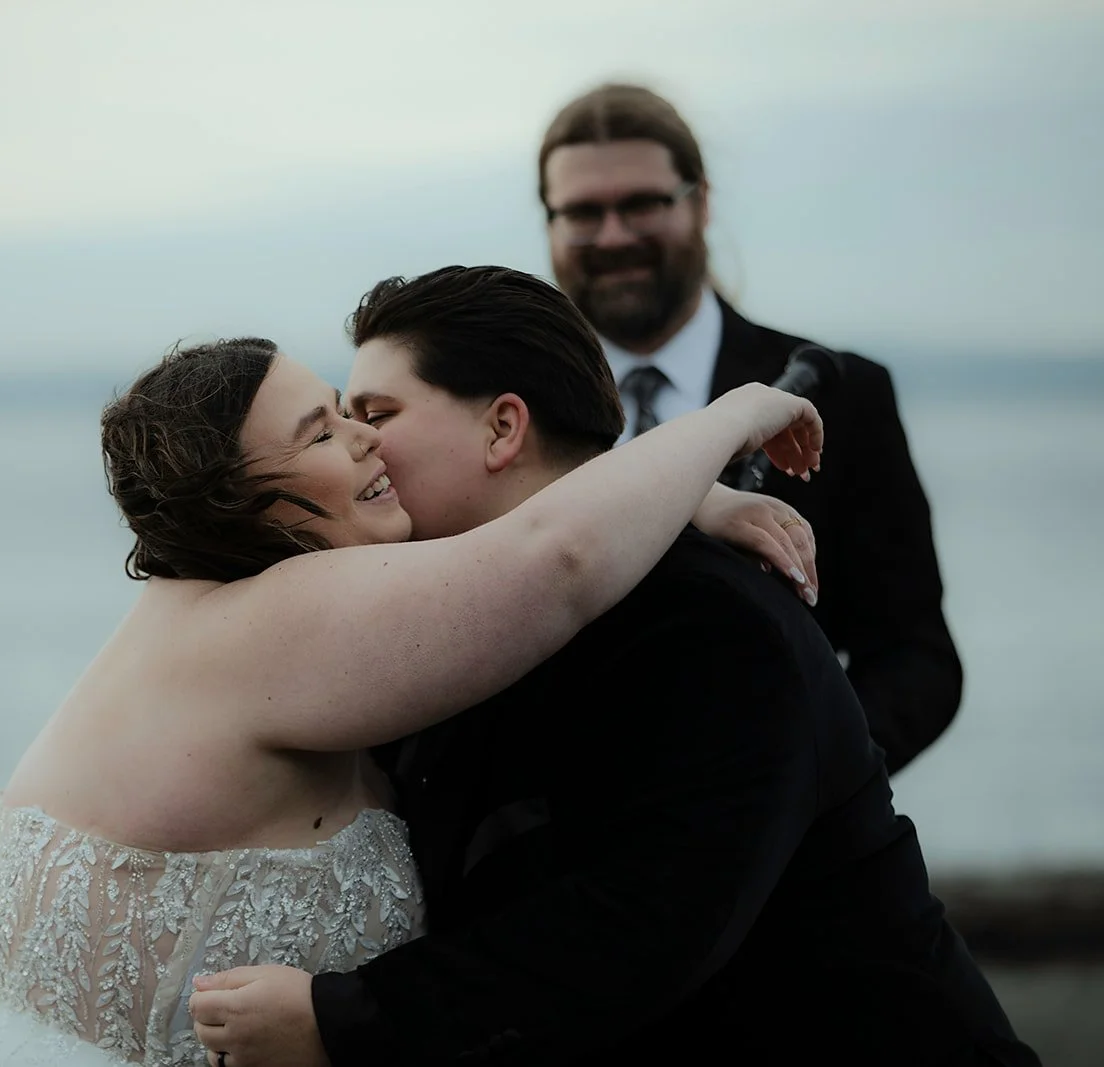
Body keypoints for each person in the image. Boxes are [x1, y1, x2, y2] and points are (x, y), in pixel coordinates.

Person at [0, 317, 823, 1064]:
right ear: (241, 501)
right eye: (324, 430)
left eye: (353, 410)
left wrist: (686, 498)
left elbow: (519, 544)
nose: (366, 438)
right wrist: (731, 419)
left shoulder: (186, 611)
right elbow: (552, 560)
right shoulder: (283, 620)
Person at [189, 266, 1038, 1066]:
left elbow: (641, 926)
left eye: (377, 413)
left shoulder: (714, 624)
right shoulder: (448, 620)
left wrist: (341, 1021)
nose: (359, 448)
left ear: (502, 427)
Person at [538, 83, 962, 773]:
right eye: (584, 212)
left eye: (642, 203)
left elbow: (918, 659)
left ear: (700, 202)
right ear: (549, 221)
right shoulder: (512, 408)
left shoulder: (842, 393)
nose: (614, 235)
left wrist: (811, 782)